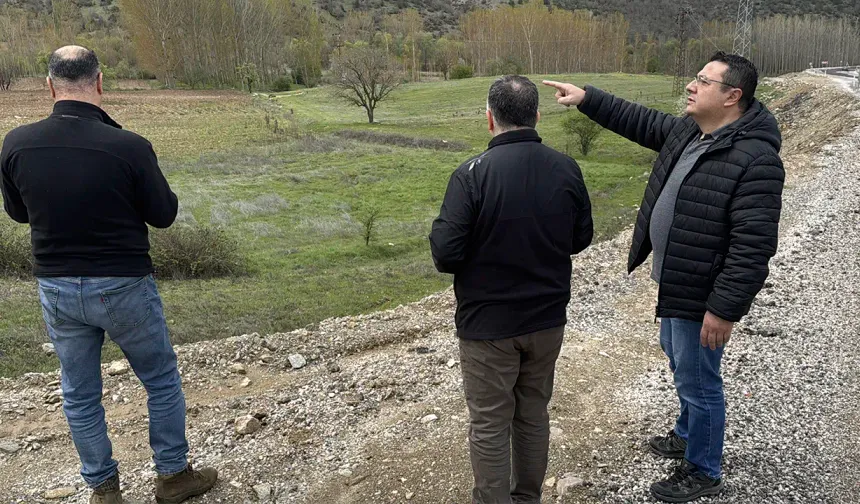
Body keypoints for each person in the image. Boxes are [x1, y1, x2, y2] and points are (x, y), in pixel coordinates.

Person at [544, 51, 784, 502]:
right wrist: (587, 98)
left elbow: (753, 247)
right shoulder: (692, 132)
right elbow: (638, 120)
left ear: (733, 96)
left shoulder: (756, 160)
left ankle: (704, 468)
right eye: (695, 78)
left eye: (703, 81)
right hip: (677, 280)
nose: (691, 87)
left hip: (703, 292)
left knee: (699, 379)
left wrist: (723, 309)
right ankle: (686, 434)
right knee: (679, 361)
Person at [0, 46, 217, 504]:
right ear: (100, 82)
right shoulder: (129, 146)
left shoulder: (16, 144)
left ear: (49, 86)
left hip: (57, 288)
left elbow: (18, 213)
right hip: (123, 286)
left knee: (79, 394)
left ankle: (104, 491)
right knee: (158, 380)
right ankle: (174, 477)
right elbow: (164, 215)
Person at [430, 75, 593, 504]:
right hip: (546, 320)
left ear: (490, 119)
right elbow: (581, 238)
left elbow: (445, 255)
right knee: (533, 415)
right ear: (537, 116)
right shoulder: (567, 168)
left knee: (489, 423)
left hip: (487, 327)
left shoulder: (470, 176)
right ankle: (527, 498)